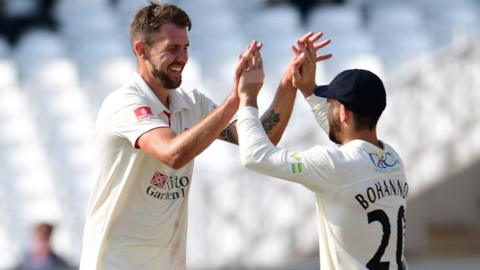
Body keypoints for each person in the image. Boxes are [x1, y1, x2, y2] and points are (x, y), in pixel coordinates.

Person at [79, 3, 331, 269]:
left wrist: (288, 84)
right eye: (172, 49)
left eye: (186, 47)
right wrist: (236, 100)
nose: (183, 58)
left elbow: (260, 139)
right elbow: (172, 154)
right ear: (141, 50)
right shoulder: (125, 103)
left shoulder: (191, 102)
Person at [236, 37, 408, 269]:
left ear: (344, 113)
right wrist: (308, 90)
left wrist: (247, 98)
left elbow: (254, 156)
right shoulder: (392, 159)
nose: (326, 107)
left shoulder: (334, 165)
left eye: (329, 103)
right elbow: (343, 137)